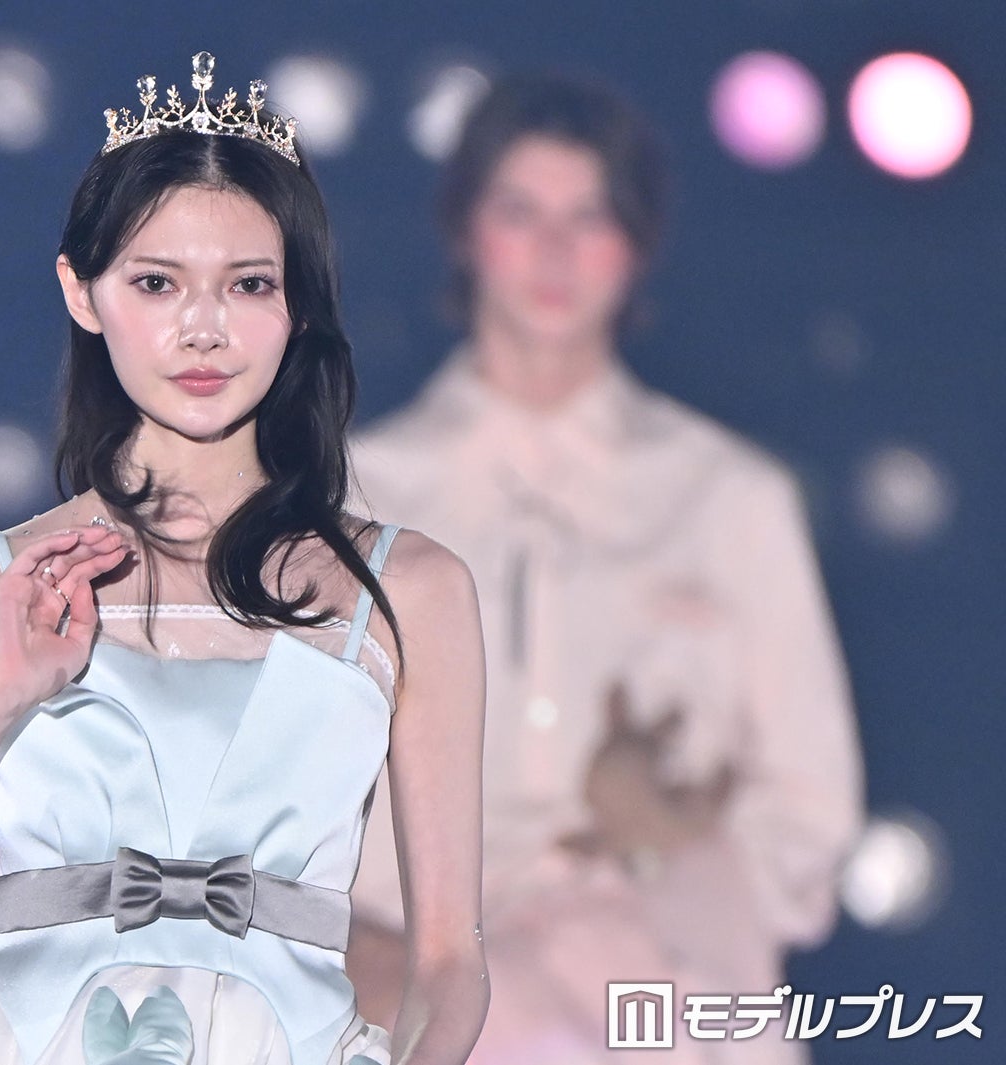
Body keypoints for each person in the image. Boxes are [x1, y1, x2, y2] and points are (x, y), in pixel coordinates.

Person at [0, 52, 491, 1065]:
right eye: (156, 283)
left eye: (248, 284)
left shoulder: (407, 592)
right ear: (81, 290)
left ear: (297, 305)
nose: (203, 329)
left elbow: (449, 960)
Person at [344, 72, 865, 1064]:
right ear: (465, 230)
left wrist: (662, 897)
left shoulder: (725, 496)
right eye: (520, 211)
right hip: (420, 1004)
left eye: (588, 216)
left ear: (636, 243)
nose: (554, 251)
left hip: (667, 1006)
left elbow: (810, 811)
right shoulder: (355, 497)